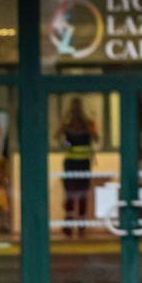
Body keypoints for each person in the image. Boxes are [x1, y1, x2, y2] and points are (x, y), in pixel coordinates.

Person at [56, 97, 99, 237]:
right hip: (71, 164)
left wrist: (88, 125)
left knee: (82, 195)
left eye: (77, 108)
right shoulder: (66, 125)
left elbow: (96, 138)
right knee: (70, 194)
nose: (75, 112)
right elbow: (57, 136)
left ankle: (81, 225)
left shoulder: (88, 125)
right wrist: (65, 121)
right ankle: (68, 225)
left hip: (84, 164)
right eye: (73, 108)